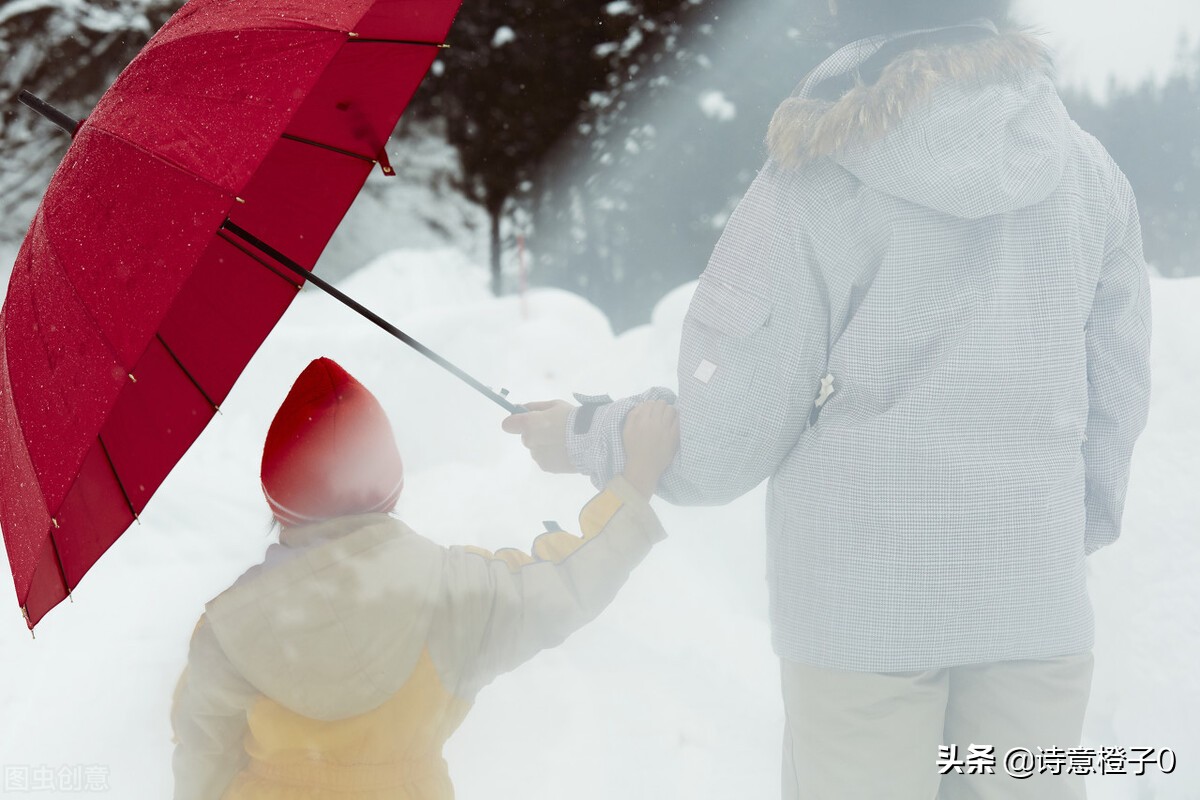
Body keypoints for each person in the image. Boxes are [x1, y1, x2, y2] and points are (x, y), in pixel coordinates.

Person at [502, 1, 1153, 798]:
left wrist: (586, 436)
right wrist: (1045, 539)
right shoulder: (1088, 173)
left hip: (860, 617)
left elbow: (727, 437)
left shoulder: (818, 174)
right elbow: (1116, 394)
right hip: (1036, 603)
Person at [171, 357, 679, 800]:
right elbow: (569, 582)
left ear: (278, 503)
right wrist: (636, 480)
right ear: (389, 488)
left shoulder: (227, 628)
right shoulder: (454, 591)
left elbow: (202, 762)